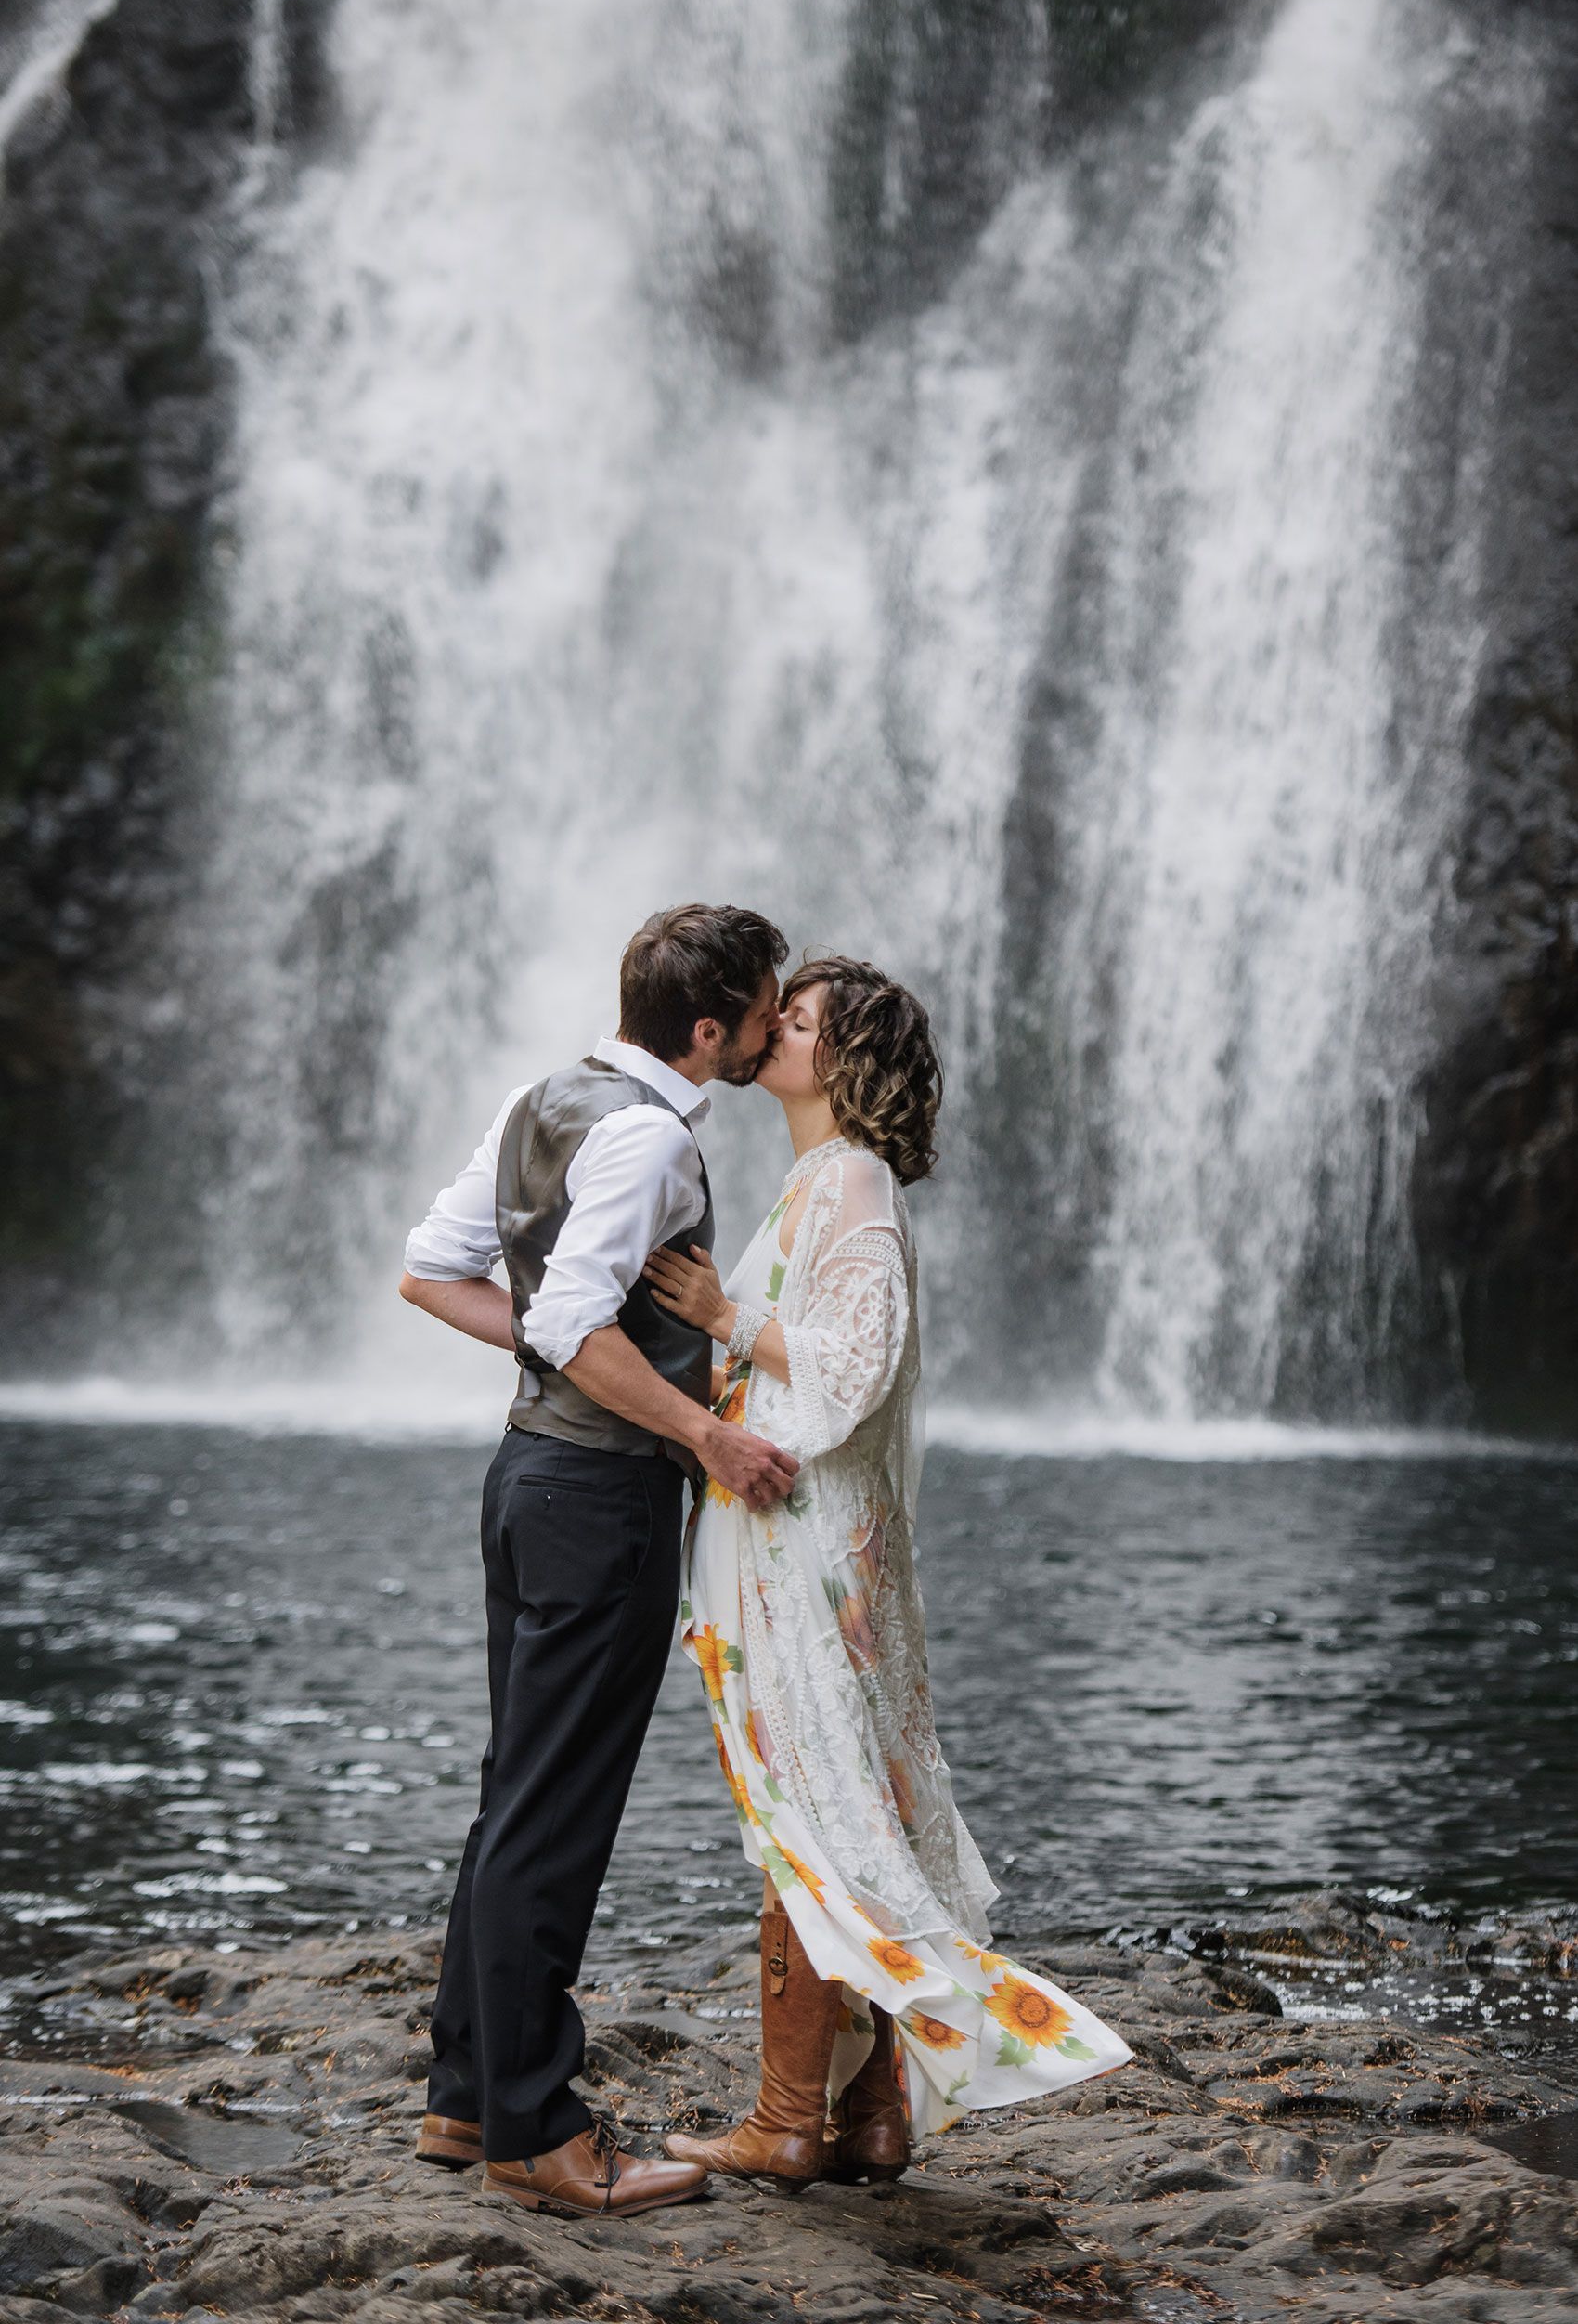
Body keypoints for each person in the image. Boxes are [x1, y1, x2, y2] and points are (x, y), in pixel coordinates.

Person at [642, 956, 1132, 2190]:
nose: (771, 1032)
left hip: (808, 1551)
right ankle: (871, 2118)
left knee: (809, 1821)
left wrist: (720, 1317)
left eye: (796, 1022)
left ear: (844, 1062)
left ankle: (784, 2121)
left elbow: (851, 1375)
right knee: (842, 1811)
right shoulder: (816, 1180)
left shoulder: (849, 1178)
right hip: (801, 1541)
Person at [397, 903, 800, 2219]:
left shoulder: (545, 1097)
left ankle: (469, 2097)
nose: (770, 1029)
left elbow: (433, 1271)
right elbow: (570, 1316)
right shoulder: (646, 1137)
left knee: (517, 1790)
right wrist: (705, 1436)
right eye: (762, 1011)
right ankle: (536, 2130)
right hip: (605, 1498)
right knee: (554, 1811)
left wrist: (566, 1376)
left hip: (526, 1480)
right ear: (707, 1029)